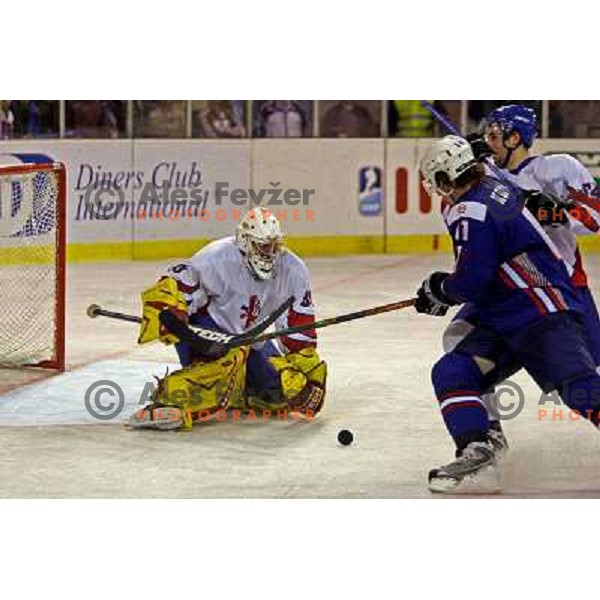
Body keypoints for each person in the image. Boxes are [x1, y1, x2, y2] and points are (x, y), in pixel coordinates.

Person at [415, 135, 600, 494]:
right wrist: (443, 290)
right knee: (452, 369)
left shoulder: (472, 209)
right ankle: (479, 451)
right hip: (506, 312)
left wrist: (440, 290)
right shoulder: (491, 186)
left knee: (579, 389)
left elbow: (472, 281)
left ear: (443, 179)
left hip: (539, 310)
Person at [452, 105, 600, 452]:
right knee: (457, 337)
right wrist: (467, 159)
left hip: (561, 287)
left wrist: (552, 210)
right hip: (510, 289)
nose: (488, 141)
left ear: (515, 136)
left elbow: (595, 218)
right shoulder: (485, 173)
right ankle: (488, 429)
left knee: (581, 380)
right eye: (485, 135)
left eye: (494, 134)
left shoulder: (557, 167)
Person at [129, 207, 327, 430]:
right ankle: (168, 401)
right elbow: (172, 290)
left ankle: (241, 387)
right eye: (262, 246)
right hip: (203, 334)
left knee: (278, 391)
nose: (269, 253)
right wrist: (180, 323)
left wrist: (312, 380)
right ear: (244, 241)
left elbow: (298, 333)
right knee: (227, 368)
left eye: (274, 246)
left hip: (247, 339)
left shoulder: (293, 270)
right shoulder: (217, 258)